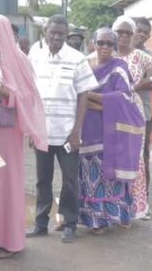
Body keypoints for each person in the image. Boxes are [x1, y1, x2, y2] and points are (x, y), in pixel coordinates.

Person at [0, 15, 47, 258]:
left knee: (7, 182)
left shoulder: (20, 61)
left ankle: (8, 240)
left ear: (0, 33)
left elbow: (30, 98)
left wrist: (4, 91)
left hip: (8, 132)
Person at [26, 14, 98, 243]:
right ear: (45, 32)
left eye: (60, 33)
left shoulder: (77, 59)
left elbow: (84, 96)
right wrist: (32, 129)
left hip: (67, 133)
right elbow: (31, 95)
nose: (56, 37)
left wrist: (77, 131)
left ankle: (69, 223)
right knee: (42, 180)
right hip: (42, 132)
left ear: (66, 35)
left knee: (69, 180)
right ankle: (40, 223)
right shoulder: (34, 57)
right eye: (52, 32)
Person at [79, 29, 146, 231]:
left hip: (110, 131)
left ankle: (117, 215)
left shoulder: (119, 68)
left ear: (115, 47)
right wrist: (96, 101)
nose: (105, 47)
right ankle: (94, 220)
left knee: (108, 176)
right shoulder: (85, 67)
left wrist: (90, 97)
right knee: (88, 175)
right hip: (86, 128)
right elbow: (75, 92)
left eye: (110, 44)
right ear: (93, 44)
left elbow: (124, 98)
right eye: (101, 43)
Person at [112, 16, 152, 219]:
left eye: (128, 32)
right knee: (112, 161)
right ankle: (113, 205)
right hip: (109, 116)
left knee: (137, 161)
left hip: (137, 115)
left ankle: (138, 206)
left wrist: (141, 85)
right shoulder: (106, 53)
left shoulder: (141, 56)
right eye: (120, 32)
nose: (125, 36)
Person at [132, 18, 152, 194]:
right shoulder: (121, 53)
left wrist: (137, 84)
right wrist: (142, 82)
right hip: (121, 112)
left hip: (144, 114)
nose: (142, 34)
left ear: (149, 35)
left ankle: (144, 200)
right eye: (139, 30)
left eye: (145, 32)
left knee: (143, 157)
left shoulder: (151, 56)